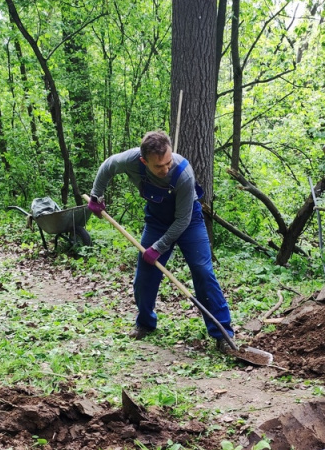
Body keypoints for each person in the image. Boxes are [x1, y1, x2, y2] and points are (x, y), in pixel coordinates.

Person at [87, 131, 234, 351]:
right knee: (144, 277)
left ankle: (222, 333)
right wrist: (96, 196)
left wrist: (158, 247)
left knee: (203, 271)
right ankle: (145, 323)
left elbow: (182, 220)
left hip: (189, 222)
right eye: (158, 167)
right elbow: (108, 165)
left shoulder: (183, 173)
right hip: (157, 221)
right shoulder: (130, 160)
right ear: (143, 161)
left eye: (168, 162)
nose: (165, 169)